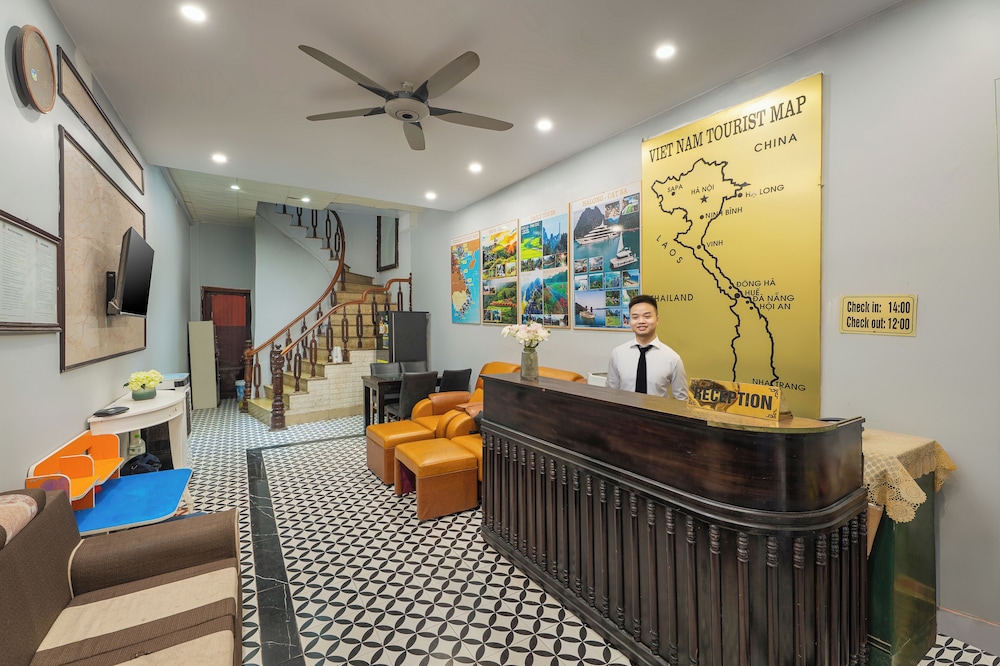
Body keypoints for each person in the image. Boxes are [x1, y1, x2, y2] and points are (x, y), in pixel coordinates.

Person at [607, 294, 688, 399]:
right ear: (630, 321)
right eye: (635, 317)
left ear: (657, 320)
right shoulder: (618, 354)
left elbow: (681, 399)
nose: (641, 321)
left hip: (657, 410)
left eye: (647, 316)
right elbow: (611, 392)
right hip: (624, 409)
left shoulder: (672, 358)